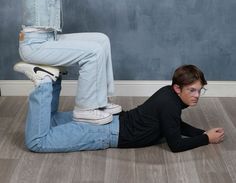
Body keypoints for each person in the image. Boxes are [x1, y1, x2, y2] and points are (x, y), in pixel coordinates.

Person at [16, 0, 139, 125]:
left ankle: (99, 101)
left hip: (49, 39)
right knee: (92, 52)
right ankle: (85, 108)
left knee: (101, 39)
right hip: (34, 45)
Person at [14, 63, 224, 153]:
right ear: (178, 88)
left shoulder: (168, 93)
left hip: (107, 118)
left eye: (199, 90)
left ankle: (53, 78)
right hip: (104, 132)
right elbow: (176, 145)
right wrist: (206, 139)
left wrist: (201, 132)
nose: (197, 96)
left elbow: (174, 124)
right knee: (37, 141)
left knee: (49, 121)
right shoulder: (170, 105)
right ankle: (44, 83)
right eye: (192, 90)